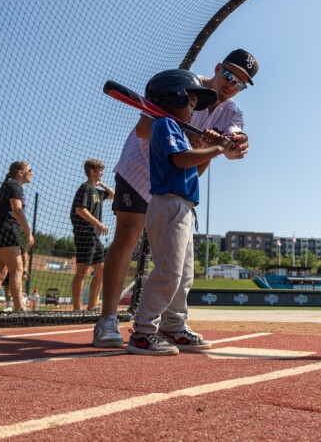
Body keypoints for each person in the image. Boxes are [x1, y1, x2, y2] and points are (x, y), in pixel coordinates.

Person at [93, 49, 258, 348]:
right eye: (229, 75)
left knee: (179, 261)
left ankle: (172, 324)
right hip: (140, 168)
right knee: (128, 235)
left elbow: (232, 139)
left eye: (240, 83)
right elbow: (144, 127)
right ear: (218, 68)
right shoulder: (183, 84)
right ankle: (107, 320)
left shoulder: (231, 112)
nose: (231, 85)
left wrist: (234, 143)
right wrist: (192, 138)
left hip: (175, 183)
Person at [126, 69, 231, 355]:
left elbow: (193, 169)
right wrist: (217, 148)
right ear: (173, 97)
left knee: (184, 275)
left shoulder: (178, 131)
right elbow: (182, 160)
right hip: (168, 205)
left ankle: (173, 325)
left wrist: (209, 149)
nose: (193, 111)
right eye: (191, 103)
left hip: (183, 207)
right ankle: (143, 332)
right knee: (168, 272)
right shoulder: (165, 125)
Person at [0, 161, 35, 312]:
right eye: (29, 170)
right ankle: (20, 310)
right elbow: (17, 209)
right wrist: (28, 233)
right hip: (7, 230)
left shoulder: (8, 186)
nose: (31, 173)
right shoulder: (14, 186)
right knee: (17, 270)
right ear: (20, 172)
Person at [69, 158, 115, 311]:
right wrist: (98, 223)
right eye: (100, 171)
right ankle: (76, 309)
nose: (102, 173)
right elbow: (80, 209)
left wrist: (101, 183)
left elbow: (113, 195)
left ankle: (91, 307)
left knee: (101, 270)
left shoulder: (97, 191)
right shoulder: (85, 188)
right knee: (82, 270)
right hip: (84, 234)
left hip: (94, 236)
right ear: (91, 171)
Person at [0, 246, 28, 311]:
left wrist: (25, 270)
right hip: (5, 268)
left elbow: (25, 254)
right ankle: (10, 306)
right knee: (7, 289)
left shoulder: (15, 245)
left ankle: (21, 304)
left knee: (14, 288)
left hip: (14, 268)